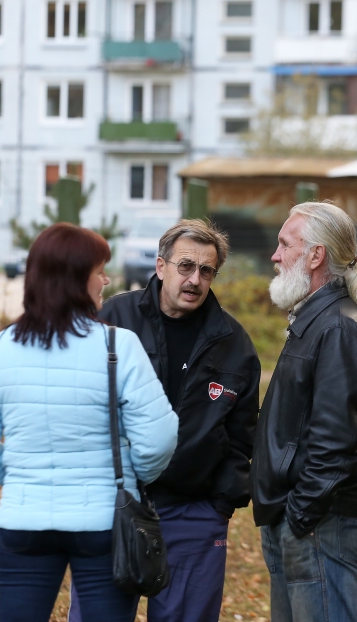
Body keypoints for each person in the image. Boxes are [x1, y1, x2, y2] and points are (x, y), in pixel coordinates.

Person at [0, 223, 178, 622]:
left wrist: (24, 475)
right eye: (99, 270)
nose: (106, 279)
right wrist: (126, 479)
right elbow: (158, 438)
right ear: (75, 279)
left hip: (24, 519)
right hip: (104, 522)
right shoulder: (117, 345)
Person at [67, 219, 261, 622]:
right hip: (113, 506)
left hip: (193, 514)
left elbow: (243, 435)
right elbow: (77, 405)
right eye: (186, 266)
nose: (195, 279)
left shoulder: (233, 344)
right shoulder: (112, 320)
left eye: (206, 270)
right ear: (160, 266)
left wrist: (219, 505)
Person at [251, 201, 357, 622]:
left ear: (315, 256)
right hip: (298, 519)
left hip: (317, 524)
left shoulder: (338, 326)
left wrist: (298, 518)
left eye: (284, 244)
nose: (275, 256)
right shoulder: (315, 319)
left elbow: (335, 440)